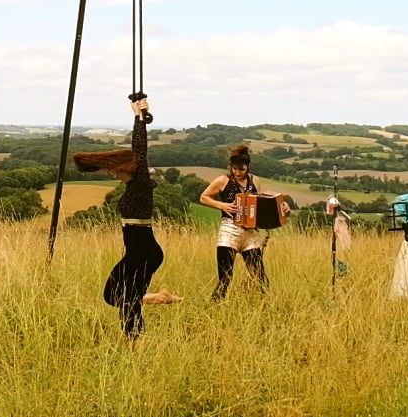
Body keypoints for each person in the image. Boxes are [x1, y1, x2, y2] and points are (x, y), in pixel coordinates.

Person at [73, 93, 182, 339]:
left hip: (144, 254)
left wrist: (139, 117)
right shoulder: (133, 188)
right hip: (139, 254)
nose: (114, 174)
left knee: (122, 299)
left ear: (127, 169)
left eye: (117, 170)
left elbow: (139, 151)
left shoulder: (141, 182)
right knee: (120, 298)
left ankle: (136, 340)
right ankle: (153, 307)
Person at [200, 143, 291, 300]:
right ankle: (214, 306)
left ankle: (266, 307)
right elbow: (204, 197)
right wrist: (222, 205)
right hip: (229, 230)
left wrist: (282, 205)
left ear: (248, 167)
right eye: (234, 168)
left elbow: (263, 200)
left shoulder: (255, 181)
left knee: (260, 277)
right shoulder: (223, 180)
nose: (237, 172)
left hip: (250, 233)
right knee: (226, 277)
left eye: (241, 169)